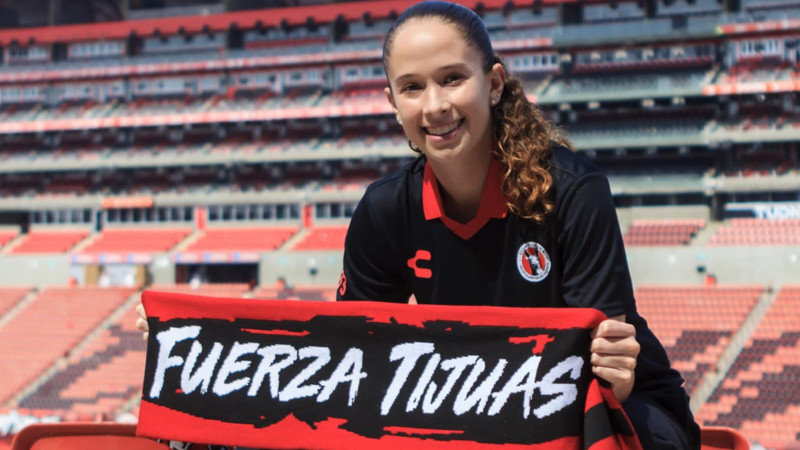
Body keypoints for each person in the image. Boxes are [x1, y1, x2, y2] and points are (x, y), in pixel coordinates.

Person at [336, 1, 701, 448]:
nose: (435, 105)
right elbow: (352, 351)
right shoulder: (384, 209)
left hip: (612, 408)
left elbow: (607, 378)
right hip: (472, 406)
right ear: (393, 103)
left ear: (493, 83)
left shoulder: (573, 190)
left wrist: (616, 376)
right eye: (412, 87)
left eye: (452, 78)